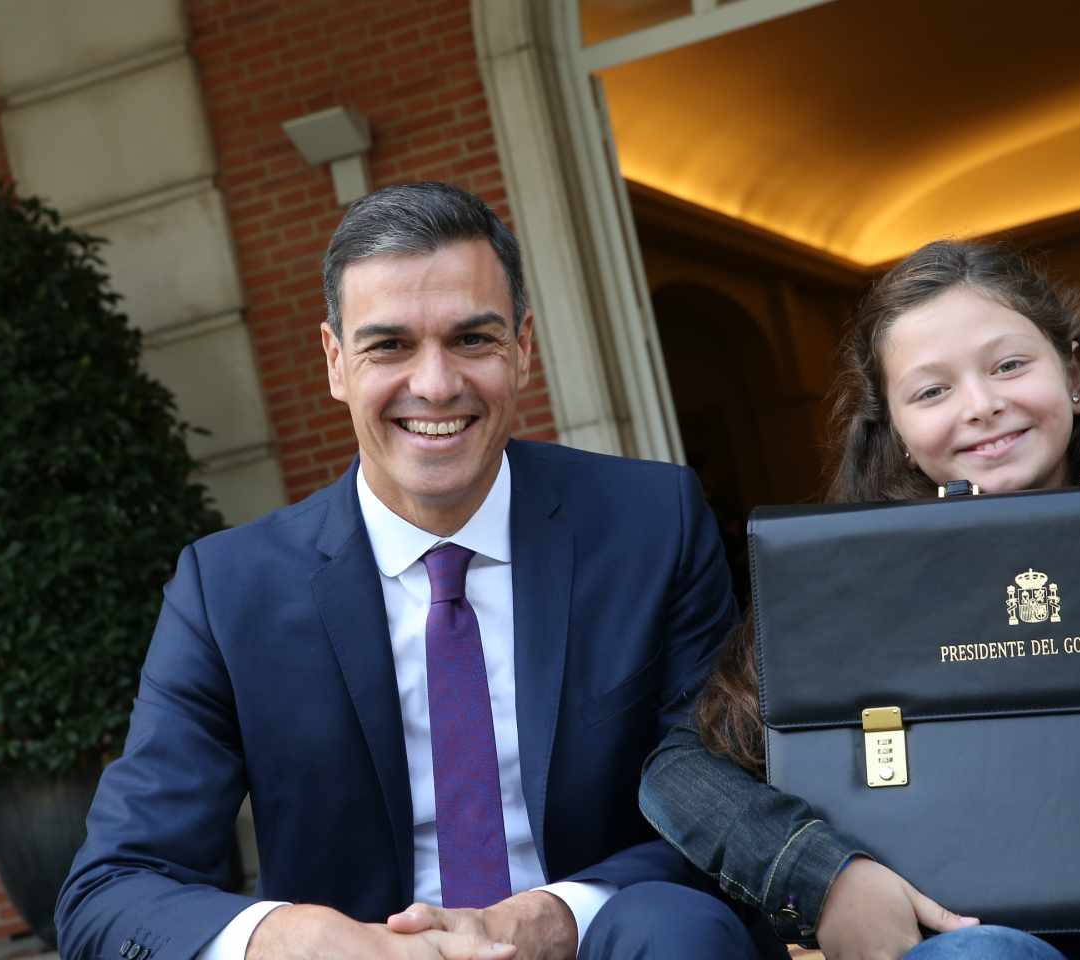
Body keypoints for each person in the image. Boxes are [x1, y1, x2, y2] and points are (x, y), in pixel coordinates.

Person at [55, 181, 763, 960]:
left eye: (472, 340)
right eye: (389, 345)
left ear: (522, 348)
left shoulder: (650, 525)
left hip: (603, 939)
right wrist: (296, 939)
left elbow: (725, 798)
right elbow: (111, 888)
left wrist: (552, 917)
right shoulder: (227, 593)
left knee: (681, 930)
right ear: (335, 361)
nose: (435, 385)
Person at [638, 239, 1080, 960]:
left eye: (1008, 365)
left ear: (1076, 378)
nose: (982, 405)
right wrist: (825, 877)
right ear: (899, 432)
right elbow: (679, 771)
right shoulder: (852, 582)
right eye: (932, 391)